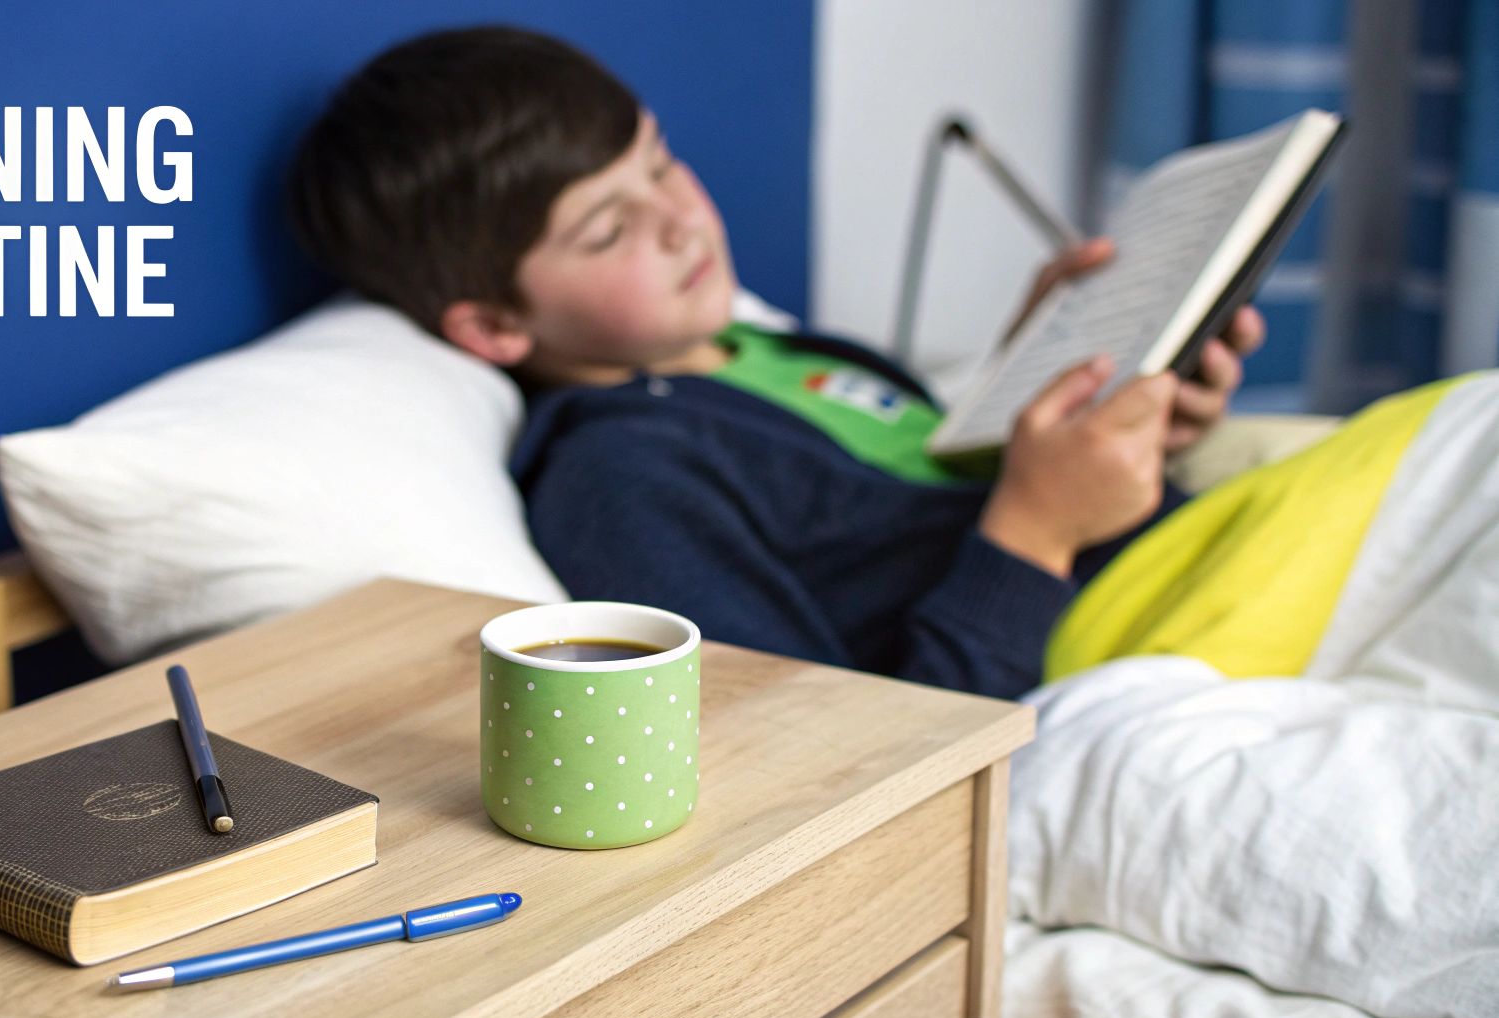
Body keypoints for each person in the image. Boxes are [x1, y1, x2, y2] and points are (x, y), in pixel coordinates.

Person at [286, 25, 1264, 701]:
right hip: (1111, 662)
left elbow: (911, 502)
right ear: (495, 327)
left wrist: (1094, 410)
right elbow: (842, 748)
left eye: (658, 160)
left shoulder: (761, 347)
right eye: (606, 227)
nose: (678, 220)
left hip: (1174, 564)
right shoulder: (627, 477)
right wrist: (1033, 532)